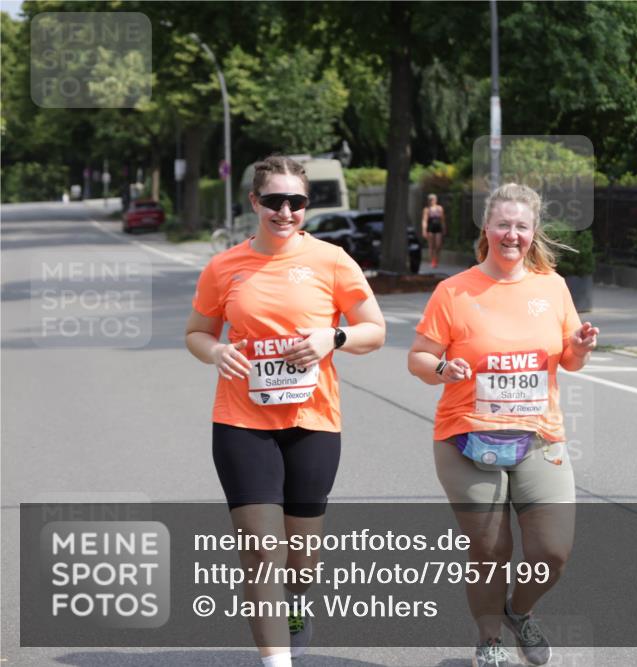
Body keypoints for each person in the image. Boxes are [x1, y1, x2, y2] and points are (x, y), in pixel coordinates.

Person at [185, 155, 385, 667]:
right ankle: (277, 662)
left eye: (296, 201)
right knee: (260, 550)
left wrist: (331, 337)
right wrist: (215, 351)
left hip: (313, 422)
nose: (285, 211)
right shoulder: (224, 266)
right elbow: (197, 332)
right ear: (255, 202)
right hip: (241, 422)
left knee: (300, 560)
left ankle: (297, 601)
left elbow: (374, 331)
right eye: (274, 201)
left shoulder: (332, 261)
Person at [408, 183, 599, 667]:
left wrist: (580, 346)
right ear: (486, 229)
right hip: (466, 437)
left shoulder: (552, 286)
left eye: (521, 226)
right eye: (502, 225)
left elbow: (570, 359)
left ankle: (520, 611)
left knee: (553, 551)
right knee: (491, 550)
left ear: (533, 233)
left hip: (538, 437)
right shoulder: (454, 291)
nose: (511, 234)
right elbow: (419, 356)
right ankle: (489, 641)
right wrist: (440, 369)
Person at [421, 193, 447, 269]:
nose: (432, 201)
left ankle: (436, 259)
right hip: (430, 228)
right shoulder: (427, 209)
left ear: (436, 200)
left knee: (438, 245)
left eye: (433, 199)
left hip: (438, 228)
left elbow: (442, 220)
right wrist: (424, 230)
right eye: (430, 200)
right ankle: (433, 261)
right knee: (431, 246)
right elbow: (424, 220)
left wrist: (444, 228)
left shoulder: (440, 208)